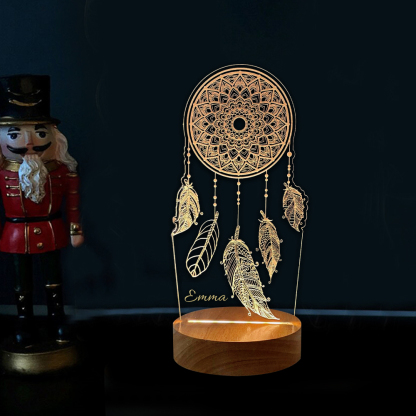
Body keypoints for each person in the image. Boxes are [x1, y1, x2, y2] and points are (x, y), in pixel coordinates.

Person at [0, 74, 83, 345]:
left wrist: (75, 229)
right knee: (21, 282)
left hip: (51, 229)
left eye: (40, 132)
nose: (29, 142)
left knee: (53, 279)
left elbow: (73, 201)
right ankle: (24, 320)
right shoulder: (3, 173)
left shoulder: (62, 172)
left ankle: (56, 317)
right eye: (15, 134)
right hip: (15, 234)